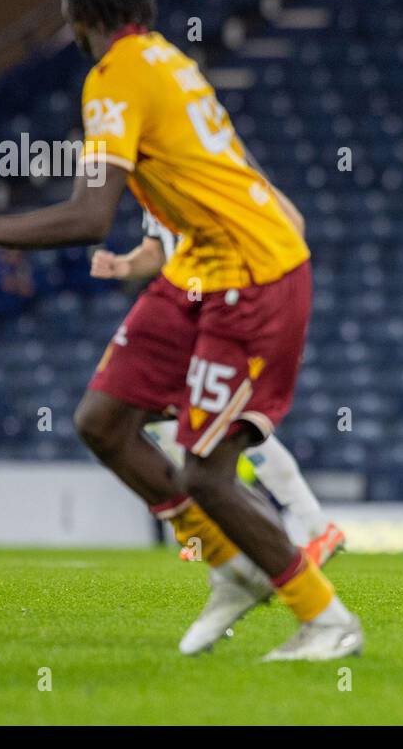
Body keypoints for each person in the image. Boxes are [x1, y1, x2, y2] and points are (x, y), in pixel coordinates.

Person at [0, 0, 360, 660]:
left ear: (77, 13)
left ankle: (324, 616)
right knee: (104, 420)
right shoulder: (169, 60)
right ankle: (230, 567)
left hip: (249, 276)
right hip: (202, 268)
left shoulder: (114, 78)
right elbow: (226, 164)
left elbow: (88, 217)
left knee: (205, 470)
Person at [90, 210, 347, 651]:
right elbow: (156, 249)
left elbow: (288, 223)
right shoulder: (158, 192)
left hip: (228, 308)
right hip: (182, 312)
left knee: (218, 435)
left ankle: (286, 540)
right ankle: (239, 549)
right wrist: (125, 266)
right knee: (178, 434)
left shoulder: (204, 171)